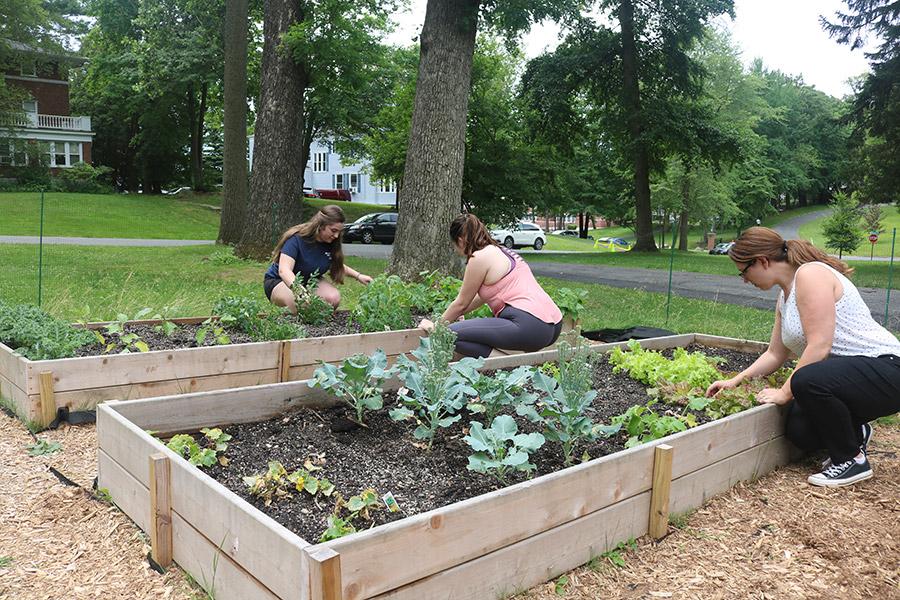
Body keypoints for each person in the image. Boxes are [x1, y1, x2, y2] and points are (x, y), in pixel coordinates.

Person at [705, 226, 900, 488]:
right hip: (851, 377)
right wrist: (735, 381)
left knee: (806, 381)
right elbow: (775, 354)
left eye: (744, 271)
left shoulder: (810, 275)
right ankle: (856, 431)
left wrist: (784, 392)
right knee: (799, 431)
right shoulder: (784, 296)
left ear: (762, 261)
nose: (744, 279)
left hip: (887, 368)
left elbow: (819, 345)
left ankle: (851, 460)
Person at [419, 213, 563, 358]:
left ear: (461, 241)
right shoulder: (502, 251)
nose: (456, 250)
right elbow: (478, 298)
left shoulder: (478, 258)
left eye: (454, 245)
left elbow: (461, 303)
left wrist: (435, 327)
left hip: (529, 326)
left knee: (448, 336)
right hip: (554, 326)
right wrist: (460, 314)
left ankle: (510, 365)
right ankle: (514, 361)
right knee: (461, 336)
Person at [263, 205, 372, 313]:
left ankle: (318, 325)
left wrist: (358, 276)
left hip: (309, 281)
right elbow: (284, 271)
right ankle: (299, 324)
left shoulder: (329, 243)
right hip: (279, 282)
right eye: (333, 230)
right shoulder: (297, 239)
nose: (336, 235)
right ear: (321, 225)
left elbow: (336, 265)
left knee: (333, 298)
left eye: (339, 232)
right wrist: (299, 291)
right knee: (301, 303)